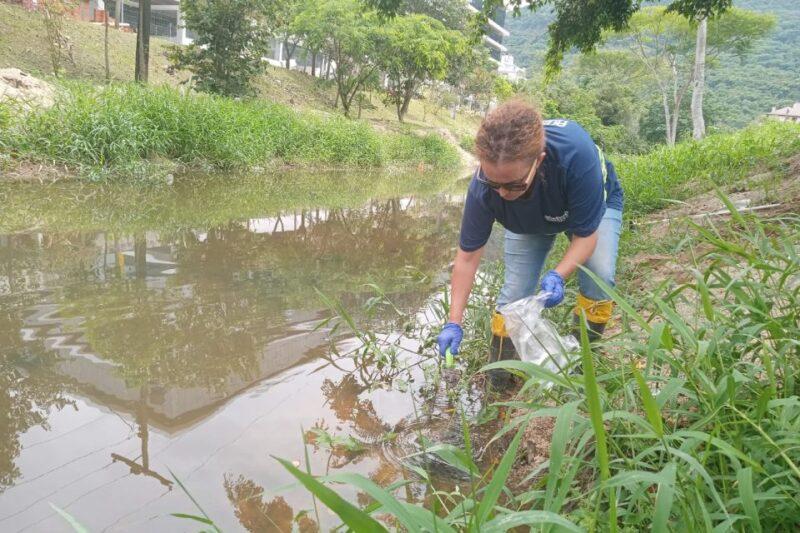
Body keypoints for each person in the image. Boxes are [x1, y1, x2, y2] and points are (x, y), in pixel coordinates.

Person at [436, 99, 624, 387]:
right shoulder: (483, 189)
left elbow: (585, 237)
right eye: (492, 183)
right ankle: (499, 379)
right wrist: (454, 321)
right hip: (530, 219)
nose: (501, 194)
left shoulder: (575, 156)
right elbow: (467, 258)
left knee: (598, 275)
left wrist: (558, 274)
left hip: (581, 205)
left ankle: (582, 360)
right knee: (514, 294)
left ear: (539, 160)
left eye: (513, 185)